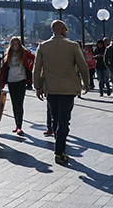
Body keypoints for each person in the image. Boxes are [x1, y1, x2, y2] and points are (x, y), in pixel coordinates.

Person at [32, 21, 91, 166]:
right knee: (64, 120)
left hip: (50, 89)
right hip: (68, 89)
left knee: (54, 118)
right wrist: (86, 83)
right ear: (63, 30)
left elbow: (36, 68)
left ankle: (59, 149)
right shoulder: (72, 46)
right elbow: (83, 67)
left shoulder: (43, 46)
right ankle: (59, 151)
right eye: (66, 29)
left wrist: (37, 86)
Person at [1, 37, 34, 137]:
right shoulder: (8, 54)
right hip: (11, 81)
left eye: (18, 44)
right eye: (14, 44)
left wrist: (29, 68)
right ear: (11, 45)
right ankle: (17, 124)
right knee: (14, 104)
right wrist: (2, 84)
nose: (16, 46)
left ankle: (19, 126)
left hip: (21, 80)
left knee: (19, 103)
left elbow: (34, 58)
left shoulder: (23, 52)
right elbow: (4, 70)